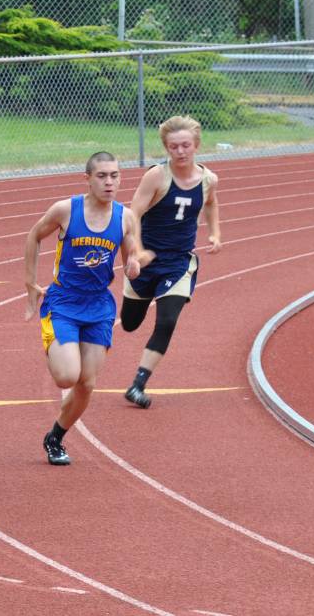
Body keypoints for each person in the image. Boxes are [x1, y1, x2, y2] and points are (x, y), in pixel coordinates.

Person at [24, 152, 141, 465]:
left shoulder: (125, 216)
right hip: (63, 302)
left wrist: (134, 265)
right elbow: (34, 235)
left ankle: (55, 437)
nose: (109, 182)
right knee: (66, 378)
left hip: (99, 306)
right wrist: (29, 283)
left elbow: (132, 255)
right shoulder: (66, 210)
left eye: (114, 175)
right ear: (87, 179)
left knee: (87, 384)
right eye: (102, 175)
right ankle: (57, 344)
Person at [121, 115, 221, 408]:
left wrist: (215, 233)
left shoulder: (208, 179)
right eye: (174, 146)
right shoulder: (157, 176)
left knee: (167, 320)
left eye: (186, 145)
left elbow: (212, 203)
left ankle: (138, 384)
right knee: (129, 323)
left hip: (178, 262)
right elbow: (133, 213)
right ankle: (135, 293)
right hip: (146, 259)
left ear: (196, 146)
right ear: (166, 148)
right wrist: (136, 251)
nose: (180, 151)